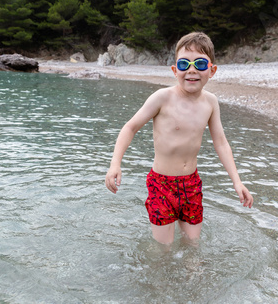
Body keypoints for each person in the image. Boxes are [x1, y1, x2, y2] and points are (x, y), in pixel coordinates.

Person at [105, 32, 253, 245]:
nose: (192, 70)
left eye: (200, 64)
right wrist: (115, 164)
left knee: (193, 246)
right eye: (184, 64)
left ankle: (193, 276)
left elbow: (221, 142)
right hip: (161, 184)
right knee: (163, 250)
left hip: (191, 185)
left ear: (212, 71)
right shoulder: (162, 98)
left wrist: (237, 182)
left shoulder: (210, 102)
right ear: (175, 70)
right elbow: (130, 127)